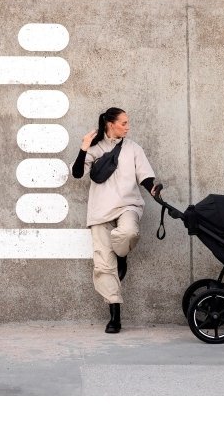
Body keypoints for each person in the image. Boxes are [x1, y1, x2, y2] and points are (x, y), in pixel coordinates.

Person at [71, 107, 163, 333]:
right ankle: (115, 315)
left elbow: (145, 177)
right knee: (104, 266)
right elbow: (77, 173)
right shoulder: (95, 149)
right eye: (124, 123)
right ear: (110, 124)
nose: (127, 127)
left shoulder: (133, 148)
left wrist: (153, 189)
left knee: (129, 232)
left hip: (127, 206)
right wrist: (84, 147)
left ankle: (121, 254)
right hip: (100, 211)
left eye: (127, 122)